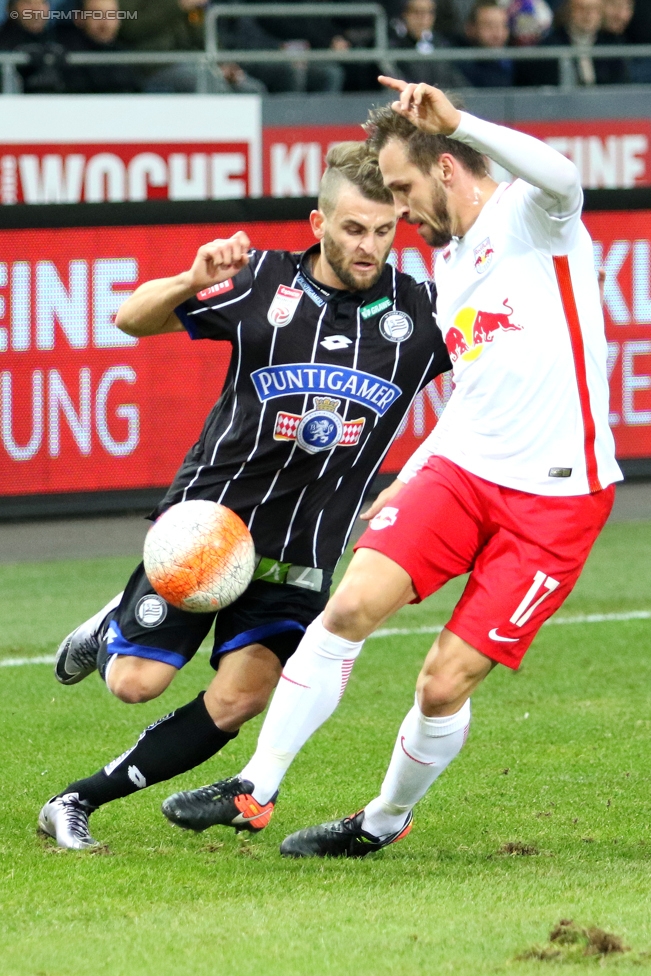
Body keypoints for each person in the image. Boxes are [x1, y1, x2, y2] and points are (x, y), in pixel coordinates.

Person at [168, 78, 621, 858]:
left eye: (406, 188)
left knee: (441, 684)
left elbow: (566, 175)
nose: (401, 211)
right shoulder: (449, 264)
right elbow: (478, 391)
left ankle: (380, 820)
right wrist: (417, 469)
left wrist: (463, 120)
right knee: (348, 607)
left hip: (555, 499)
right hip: (464, 473)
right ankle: (255, 788)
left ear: (446, 167)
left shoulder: (531, 216)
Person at [38, 142, 451, 850]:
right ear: (317, 221)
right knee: (135, 683)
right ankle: (111, 628)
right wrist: (187, 278)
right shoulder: (261, 280)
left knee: (240, 699)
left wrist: (417, 475)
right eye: (353, 229)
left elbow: (494, 383)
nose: (369, 246)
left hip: (304, 550)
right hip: (210, 528)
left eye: (384, 231)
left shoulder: (418, 312)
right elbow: (131, 319)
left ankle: (74, 802)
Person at [516, 0, 627, 86]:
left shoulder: (611, 45)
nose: (588, 15)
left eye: (594, 10)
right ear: (569, 11)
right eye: (582, 9)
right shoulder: (551, 45)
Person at [59, 0, 141, 93]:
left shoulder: (125, 57)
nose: (105, 23)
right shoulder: (65, 55)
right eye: (97, 15)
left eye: (111, 15)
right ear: (78, 17)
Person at [388, 0, 469, 90]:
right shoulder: (393, 48)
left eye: (428, 12)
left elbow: (458, 83)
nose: (422, 18)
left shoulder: (441, 45)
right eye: (416, 12)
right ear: (405, 15)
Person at [461, 0, 514, 87]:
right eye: (489, 26)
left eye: (504, 25)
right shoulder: (459, 68)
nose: (498, 34)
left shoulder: (515, 63)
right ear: (470, 29)